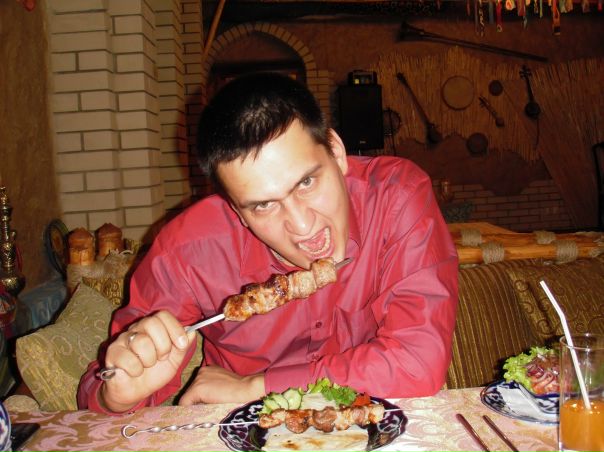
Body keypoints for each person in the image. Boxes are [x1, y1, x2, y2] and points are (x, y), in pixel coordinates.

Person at [78, 72, 459, 414]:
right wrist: (117, 394)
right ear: (236, 210)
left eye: (306, 182)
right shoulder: (188, 251)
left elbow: (417, 362)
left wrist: (254, 388)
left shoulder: (395, 197)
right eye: (263, 205)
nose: (303, 226)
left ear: (337, 151)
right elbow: (97, 392)